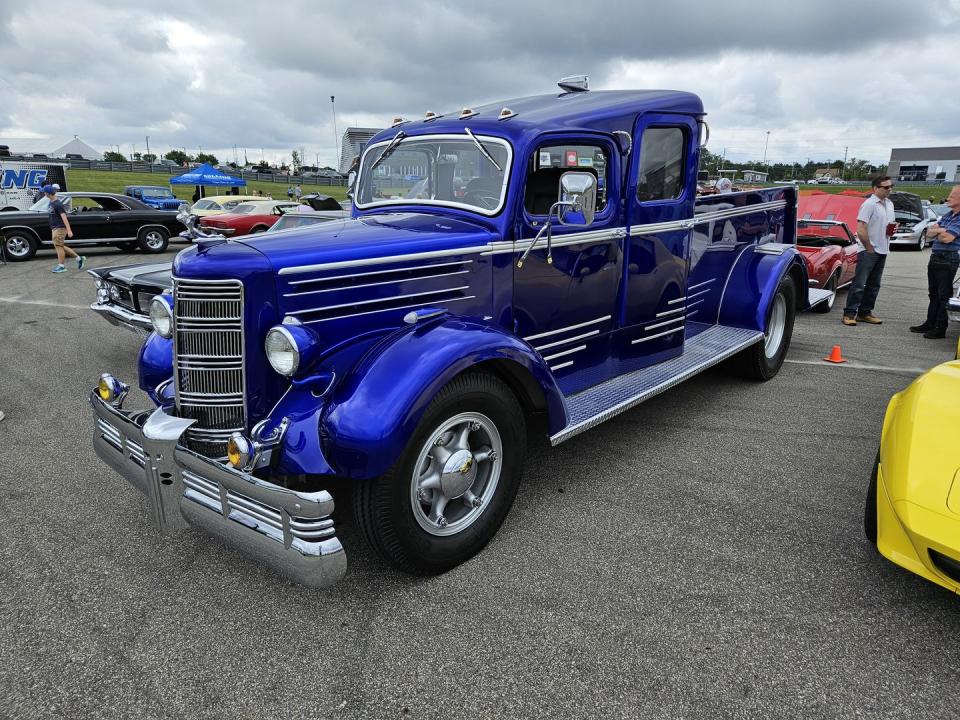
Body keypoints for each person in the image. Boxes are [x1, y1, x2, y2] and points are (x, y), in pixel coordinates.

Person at [842, 176, 895, 326]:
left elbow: (888, 224)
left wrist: (892, 230)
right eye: (885, 187)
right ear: (875, 188)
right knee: (859, 284)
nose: (889, 189)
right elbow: (861, 228)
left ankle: (865, 313)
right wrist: (869, 247)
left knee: (874, 285)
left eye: (891, 186)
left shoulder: (889, 204)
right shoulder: (869, 204)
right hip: (869, 250)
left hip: (883, 248)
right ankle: (849, 313)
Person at [909, 185, 960, 339]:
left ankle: (940, 327)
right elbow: (929, 232)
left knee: (943, 294)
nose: (948, 197)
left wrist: (940, 230)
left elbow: (948, 238)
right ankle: (930, 322)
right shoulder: (948, 215)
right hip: (936, 256)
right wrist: (940, 230)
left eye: (952, 195)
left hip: (948, 258)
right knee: (933, 293)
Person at [44, 185, 84, 273]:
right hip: (54, 228)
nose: (44, 194)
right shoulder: (51, 202)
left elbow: (64, 217)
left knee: (58, 246)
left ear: (48, 193)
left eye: (45, 192)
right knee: (60, 245)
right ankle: (79, 258)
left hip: (60, 228)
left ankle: (61, 266)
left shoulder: (58, 204)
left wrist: (69, 230)